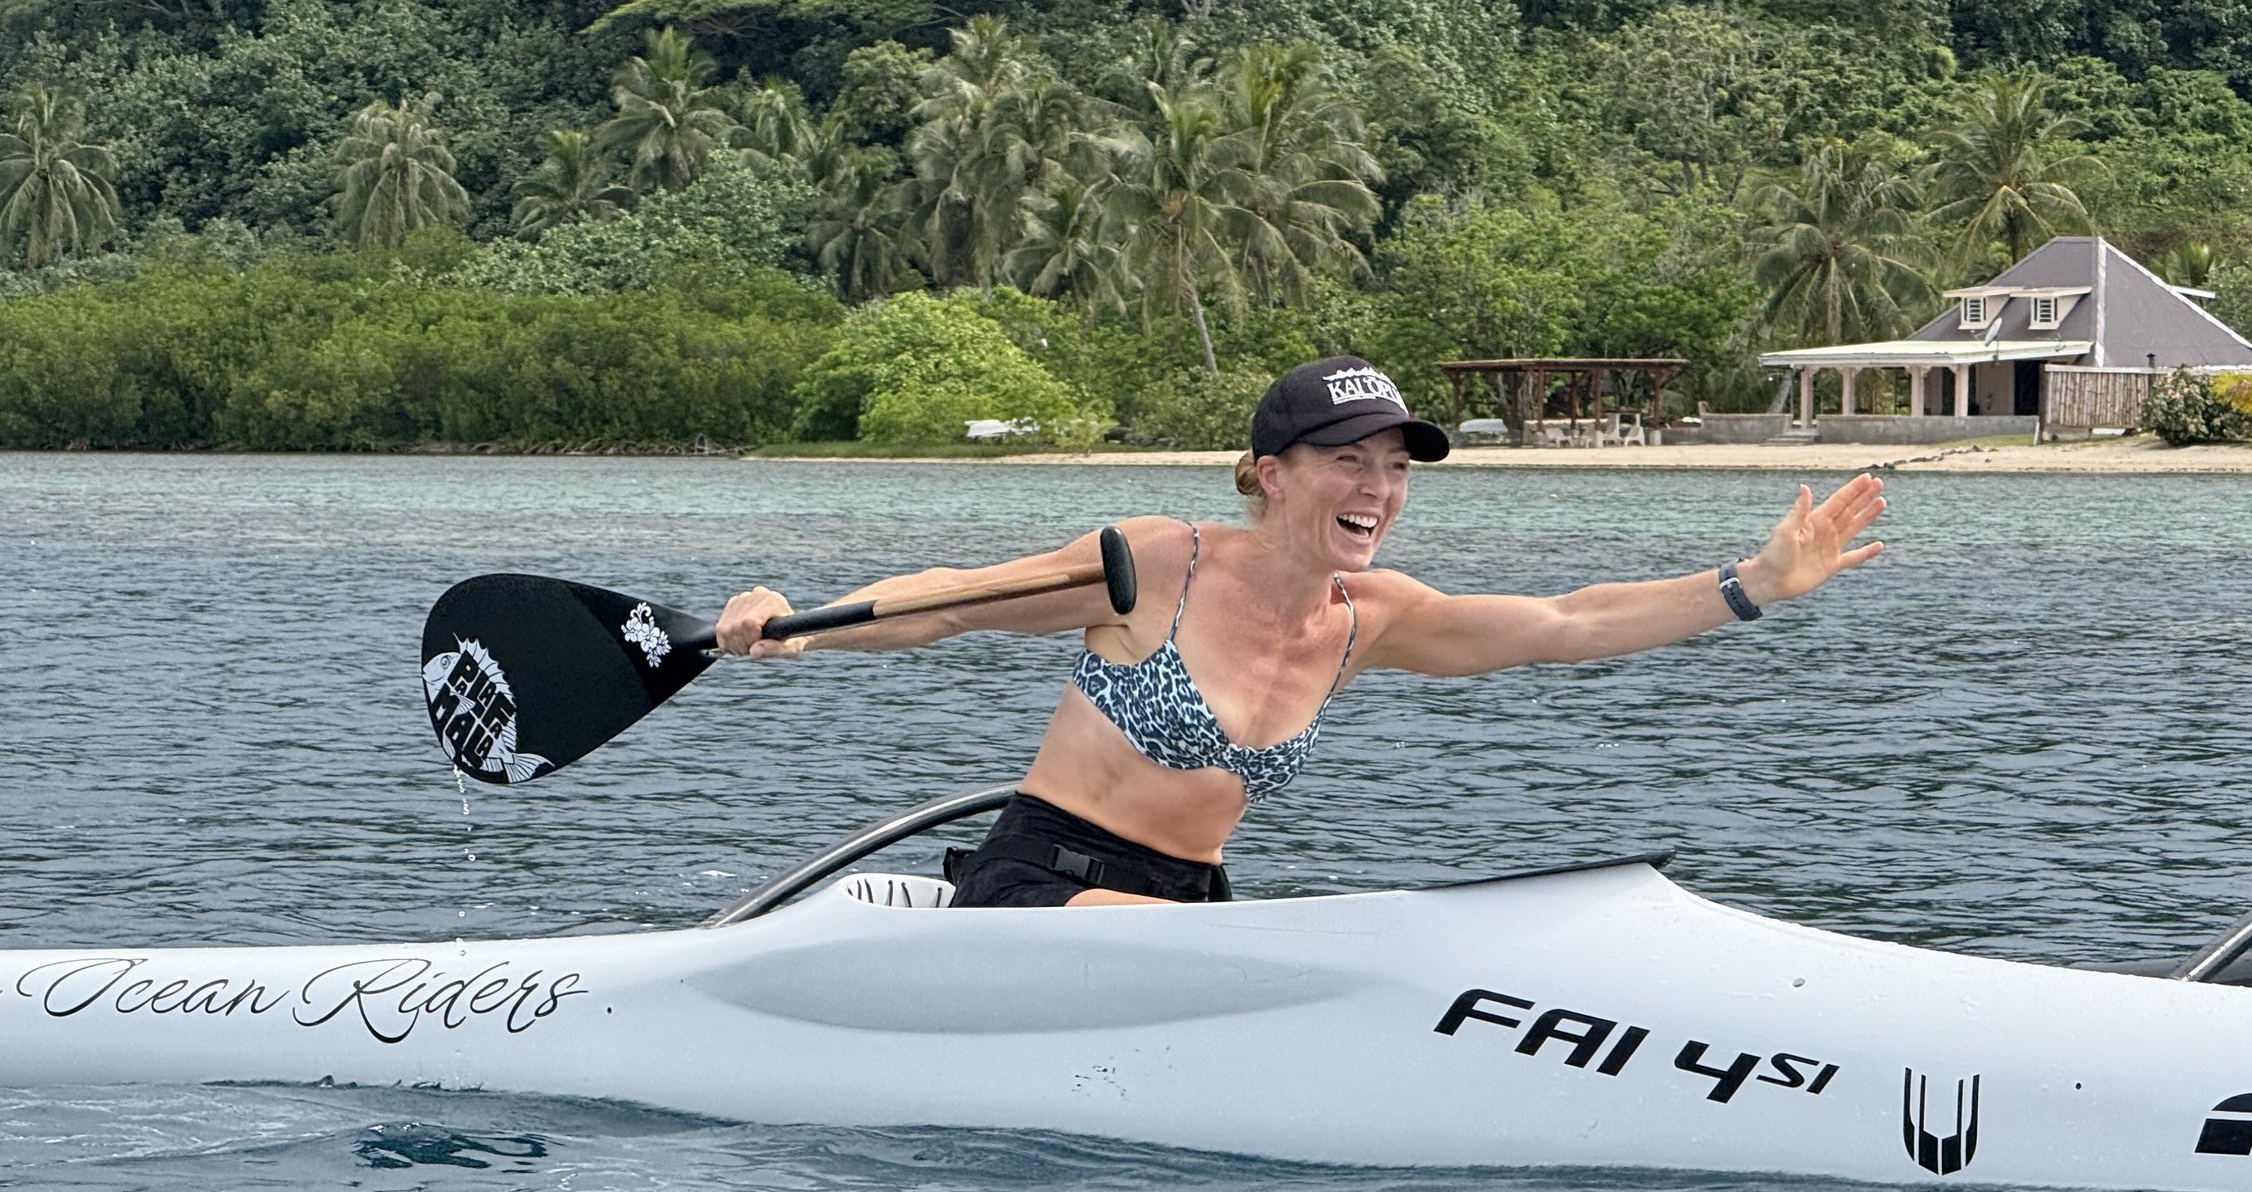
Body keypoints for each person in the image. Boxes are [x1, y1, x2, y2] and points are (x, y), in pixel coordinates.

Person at [712, 355, 1885, 907]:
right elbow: (950, 597)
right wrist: (796, 630)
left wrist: (1751, 585)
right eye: (1346, 461)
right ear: (1269, 475)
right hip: (1039, 890)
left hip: (1191, 910)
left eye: (1394, 466)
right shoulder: (1154, 564)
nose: (1377, 486)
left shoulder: (1370, 619)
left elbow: (1565, 623)